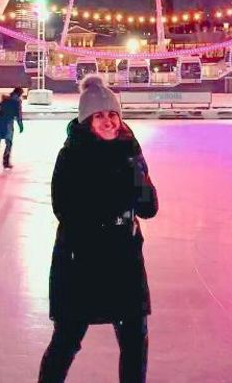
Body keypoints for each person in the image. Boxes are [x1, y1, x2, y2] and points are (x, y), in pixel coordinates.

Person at [38, 75, 158, 383]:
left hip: (125, 260)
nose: (108, 121)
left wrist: (137, 173)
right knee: (67, 338)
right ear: (87, 120)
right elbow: (64, 209)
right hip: (82, 261)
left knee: (134, 339)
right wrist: (111, 205)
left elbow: (149, 208)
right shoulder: (72, 154)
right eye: (99, 115)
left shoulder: (129, 149)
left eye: (112, 114)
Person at [0, 87, 25, 170]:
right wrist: (20, 125)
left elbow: (0, 110)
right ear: (19, 94)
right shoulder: (17, 102)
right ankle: (6, 162)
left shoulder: (5, 99)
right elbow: (18, 115)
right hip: (8, 124)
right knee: (8, 143)